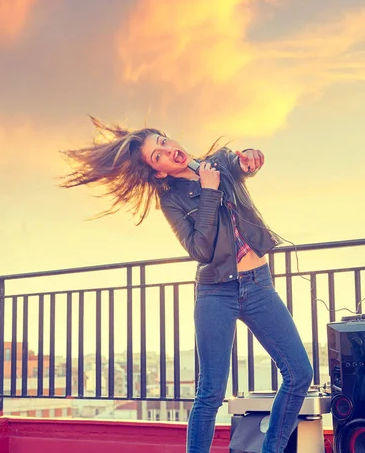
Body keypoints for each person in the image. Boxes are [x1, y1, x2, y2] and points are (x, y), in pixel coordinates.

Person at [61, 118, 313, 453]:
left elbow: (242, 164)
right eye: (157, 155)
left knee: (299, 374)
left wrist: (251, 157)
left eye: (163, 141)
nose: (168, 150)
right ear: (159, 171)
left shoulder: (220, 162)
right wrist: (208, 191)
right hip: (215, 293)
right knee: (210, 393)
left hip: (258, 285)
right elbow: (201, 250)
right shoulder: (172, 201)